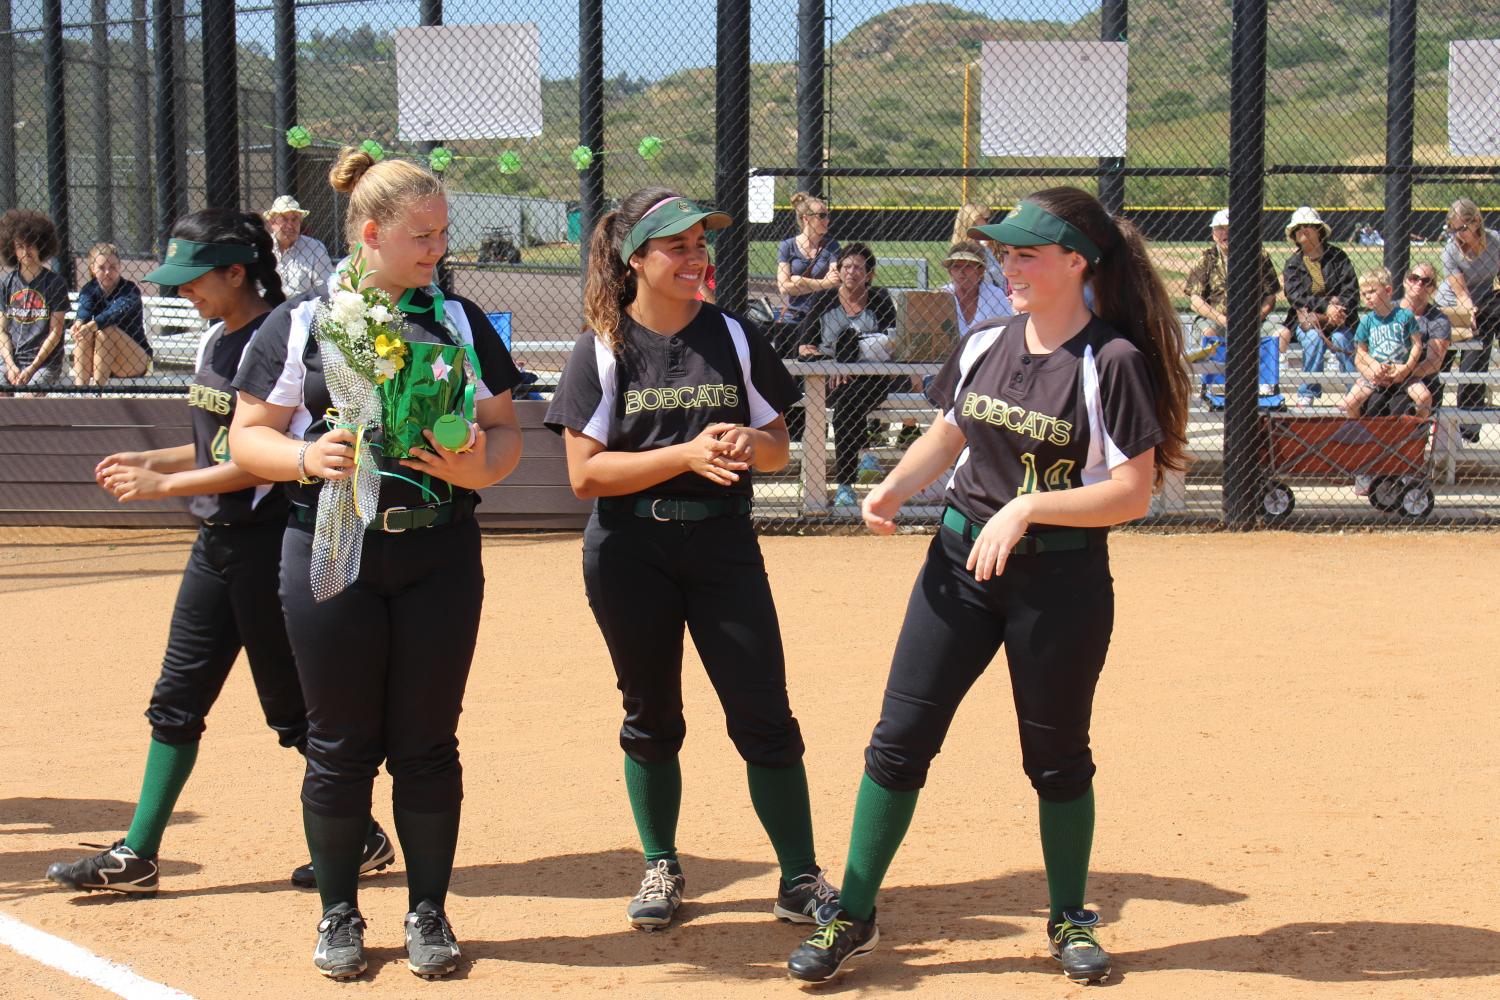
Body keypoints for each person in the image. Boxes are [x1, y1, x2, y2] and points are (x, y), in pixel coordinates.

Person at [785, 187, 1190, 986]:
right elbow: (951, 429)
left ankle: (1070, 916)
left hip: (1059, 583)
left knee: (1057, 758)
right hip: (958, 570)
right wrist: (893, 488)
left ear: (1078, 262)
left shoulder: (1110, 362)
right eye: (1005, 252)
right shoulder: (988, 342)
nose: (1009, 265)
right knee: (897, 742)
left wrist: (1031, 506)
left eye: (1026, 253)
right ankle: (854, 916)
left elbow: (1134, 492)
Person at [229, 148, 524, 981]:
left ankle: (429, 912)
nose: (438, 249)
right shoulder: (303, 321)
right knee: (340, 742)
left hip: (438, 548)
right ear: (371, 233)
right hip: (333, 543)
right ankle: (339, 914)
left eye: (441, 234)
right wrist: (300, 458)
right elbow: (246, 434)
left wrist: (478, 467)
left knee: (428, 742)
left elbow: (504, 432)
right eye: (422, 235)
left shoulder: (458, 320)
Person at [43, 209, 392, 896]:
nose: (183, 293)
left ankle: (365, 835)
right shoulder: (213, 339)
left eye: (196, 278)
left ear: (238, 271)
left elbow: (262, 462)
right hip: (216, 547)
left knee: (292, 711)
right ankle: (138, 854)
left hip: (268, 545)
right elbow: (218, 445)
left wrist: (164, 483)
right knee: (176, 699)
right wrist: (156, 457)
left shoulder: (278, 338)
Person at [544, 187, 838, 936]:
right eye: (676, 245)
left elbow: (777, 447)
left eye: (700, 244)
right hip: (629, 550)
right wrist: (684, 451)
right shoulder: (601, 349)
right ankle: (662, 863)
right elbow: (585, 475)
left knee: (764, 713)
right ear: (635, 258)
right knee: (651, 716)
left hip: (722, 546)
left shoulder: (734, 337)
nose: (695, 256)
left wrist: (748, 443)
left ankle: (799, 878)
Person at [796, 242, 899, 507]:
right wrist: (835, 366)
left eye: (859, 268)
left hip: (871, 378)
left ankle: (846, 484)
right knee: (846, 406)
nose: (852, 272)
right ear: (839, 270)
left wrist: (853, 364)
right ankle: (861, 460)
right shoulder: (823, 300)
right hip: (832, 378)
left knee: (846, 405)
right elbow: (805, 348)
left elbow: (893, 344)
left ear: (870, 275)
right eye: (847, 266)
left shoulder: (880, 299)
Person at [1433, 198, 1499, 441]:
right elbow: (1460, 292)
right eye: (1453, 229)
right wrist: (1469, 309)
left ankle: (1469, 431)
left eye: (1462, 228)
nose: (1457, 234)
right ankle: (1431, 422)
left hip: (1482, 308)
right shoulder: (1451, 249)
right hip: (1451, 307)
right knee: (1440, 366)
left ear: (1477, 222)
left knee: (1474, 368)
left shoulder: (1495, 242)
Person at [1281, 206, 1359, 403]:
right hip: (1309, 320)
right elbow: (1295, 296)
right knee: (1314, 339)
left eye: (1308, 226)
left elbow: (1351, 290)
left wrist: (1338, 308)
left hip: (1341, 318)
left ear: (1319, 230)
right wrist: (1327, 307)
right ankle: (1308, 393)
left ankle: (1355, 392)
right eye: (1298, 228)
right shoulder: (1293, 263)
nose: (1303, 231)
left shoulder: (1338, 257)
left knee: (1342, 339)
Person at [1184, 208, 1281, 350]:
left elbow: (1270, 297)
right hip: (1214, 320)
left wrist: (1255, 319)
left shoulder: (1258, 256)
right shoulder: (1206, 259)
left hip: (1253, 320)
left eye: (1231, 228)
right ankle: (1213, 371)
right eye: (1220, 229)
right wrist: (1223, 320)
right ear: (1213, 234)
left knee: (1282, 334)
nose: (1226, 233)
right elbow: (1195, 302)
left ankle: (1275, 369)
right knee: (1209, 332)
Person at [1343, 267, 1428, 420]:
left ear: (1388, 290)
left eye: (1372, 291)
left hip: (1402, 374)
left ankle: (1419, 430)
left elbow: (1417, 345)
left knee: (1424, 398)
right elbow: (1361, 352)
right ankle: (1359, 432)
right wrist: (1374, 367)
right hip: (1376, 376)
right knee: (1350, 403)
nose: (1367, 297)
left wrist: (1406, 368)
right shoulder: (1366, 321)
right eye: (1363, 294)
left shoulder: (1405, 316)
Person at [0, 208, 69, 390]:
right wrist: (10, 365)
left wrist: (31, 368)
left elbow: (56, 333)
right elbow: (2, 331)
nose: (26, 251)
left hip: (44, 363)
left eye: (31, 244)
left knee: (29, 403)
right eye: (20, 246)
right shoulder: (6, 283)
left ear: (42, 245)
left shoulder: (55, 284)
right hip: (11, 360)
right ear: (12, 249)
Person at [71, 242, 151, 386]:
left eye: (113, 267)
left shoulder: (130, 290)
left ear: (120, 267)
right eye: (102, 268)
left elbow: (115, 312)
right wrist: (79, 323)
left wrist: (92, 325)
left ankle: (97, 396)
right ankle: (80, 396)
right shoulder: (89, 289)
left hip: (132, 359)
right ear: (92, 269)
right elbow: (85, 307)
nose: (108, 272)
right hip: (99, 360)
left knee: (106, 330)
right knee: (83, 334)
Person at [776, 191, 841, 327]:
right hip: (794, 315)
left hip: (824, 315)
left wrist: (800, 281)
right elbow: (783, 288)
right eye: (822, 216)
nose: (827, 220)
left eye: (827, 216)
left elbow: (835, 282)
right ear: (806, 218)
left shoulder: (832, 246)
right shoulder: (787, 246)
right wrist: (824, 283)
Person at [1401, 262, 1452, 409]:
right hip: (1385, 375)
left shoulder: (1439, 320)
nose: (1419, 283)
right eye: (1414, 277)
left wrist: (1401, 375)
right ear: (1405, 281)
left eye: (1426, 281)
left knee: (1402, 405)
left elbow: (1433, 362)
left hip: (1421, 378)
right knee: (1373, 402)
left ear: (1433, 289)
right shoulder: (1388, 310)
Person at [265, 195, 335, 298]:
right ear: (272, 223)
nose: (290, 225)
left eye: (294, 219)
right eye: (284, 219)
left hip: (301, 309)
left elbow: (324, 289)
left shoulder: (315, 248)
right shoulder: (263, 247)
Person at [941, 240, 1013, 338]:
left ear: (980, 271)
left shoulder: (995, 295)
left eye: (968, 266)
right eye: (956, 266)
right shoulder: (941, 296)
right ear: (950, 272)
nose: (961, 272)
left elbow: (1009, 332)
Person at [952, 203, 1005, 288]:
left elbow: (1000, 278)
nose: (987, 224)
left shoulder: (984, 249)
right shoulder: (961, 253)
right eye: (985, 219)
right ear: (970, 220)